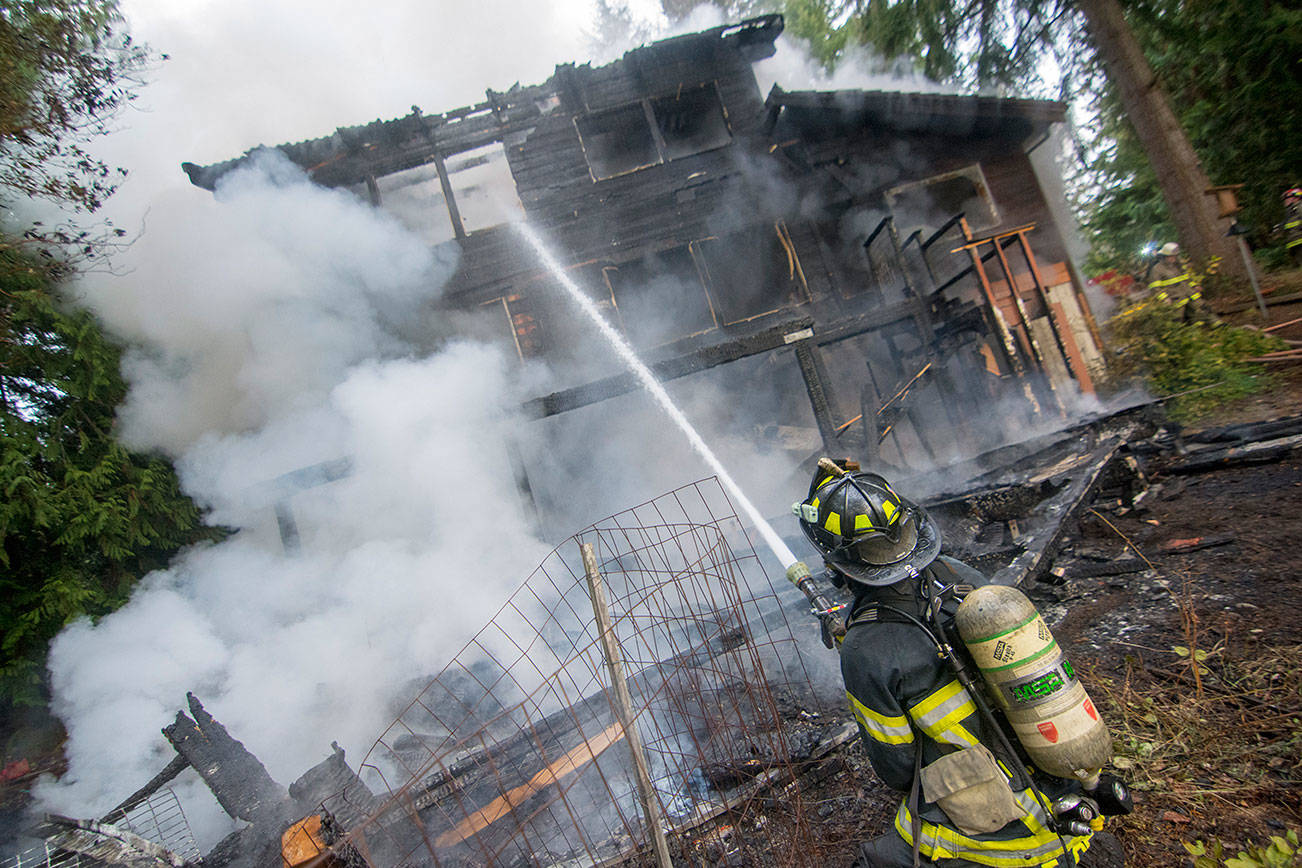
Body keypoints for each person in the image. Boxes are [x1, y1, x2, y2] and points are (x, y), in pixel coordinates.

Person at [792, 462, 1129, 867]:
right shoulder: (960, 576)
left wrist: (866, 655)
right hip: (1061, 780)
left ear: (838, 562)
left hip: (1004, 831)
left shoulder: (865, 649)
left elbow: (898, 771)